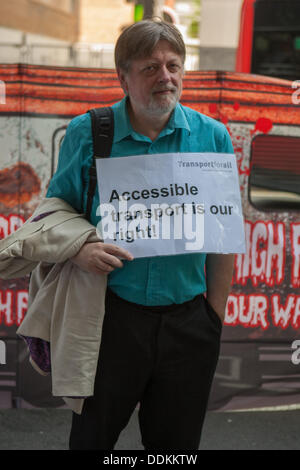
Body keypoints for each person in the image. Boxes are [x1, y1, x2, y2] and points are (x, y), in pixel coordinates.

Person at [46, 19, 235, 450]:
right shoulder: (89, 132)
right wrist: (79, 249)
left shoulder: (212, 137)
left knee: (175, 449)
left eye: (173, 65)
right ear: (123, 76)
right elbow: (54, 211)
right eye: (150, 67)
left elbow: (223, 233)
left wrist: (213, 317)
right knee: (92, 440)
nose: (165, 77)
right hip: (109, 316)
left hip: (189, 321)